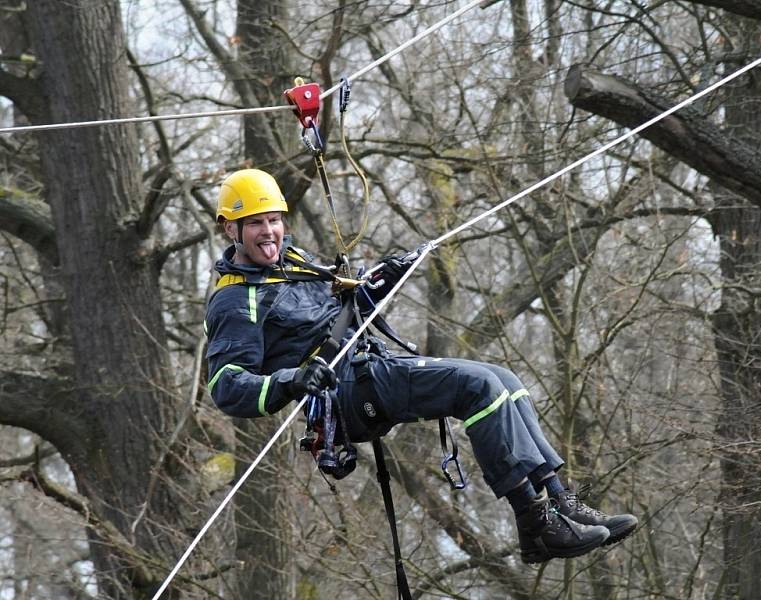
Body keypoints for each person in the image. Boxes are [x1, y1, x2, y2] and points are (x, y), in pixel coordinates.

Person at [204, 168, 638, 563]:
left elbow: (346, 308)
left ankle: (560, 501)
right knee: (478, 388)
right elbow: (227, 385)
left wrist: (379, 280)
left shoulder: (294, 262)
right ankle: (535, 521)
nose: (269, 232)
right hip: (347, 393)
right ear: (231, 228)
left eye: (275, 219)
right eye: (256, 223)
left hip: (371, 365)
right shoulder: (235, 300)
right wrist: (292, 379)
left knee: (504, 379)